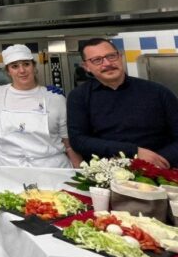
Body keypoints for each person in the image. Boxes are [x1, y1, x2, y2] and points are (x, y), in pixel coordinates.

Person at [67, 37, 178, 167]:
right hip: (106, 172)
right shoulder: (78, 97)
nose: (107, 63)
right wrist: (134, 152)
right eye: (97, 60)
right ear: (86, 67)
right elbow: (79, 141)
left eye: (111, 56)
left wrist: (159, 160)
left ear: (120, 57)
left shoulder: (158, 92)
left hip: (160, 169)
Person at [0, 44, 82, 168]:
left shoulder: (55, 98)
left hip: (50, 169)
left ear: (34, 66)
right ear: (8, 71)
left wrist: (82, 173)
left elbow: (68, 144)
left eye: (26, 64)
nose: (22, 70)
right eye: (15, 66)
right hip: (9, 169)